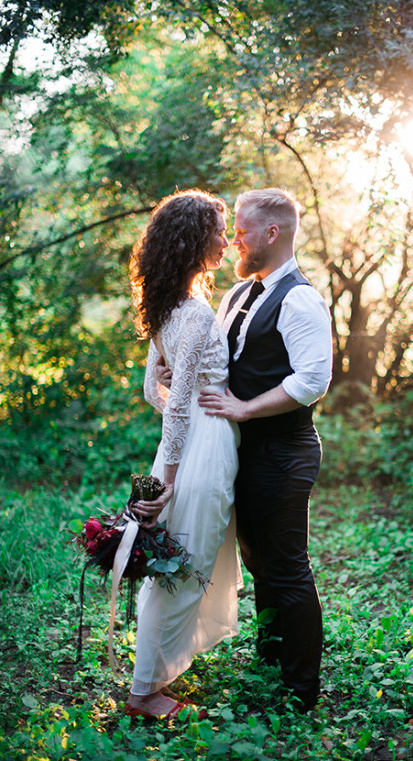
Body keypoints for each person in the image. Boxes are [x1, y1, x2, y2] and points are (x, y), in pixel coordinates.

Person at [198, 188, 332, 710]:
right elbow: (222, 359)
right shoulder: (237, 294)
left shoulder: (299, 297)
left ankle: (301, 691)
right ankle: (269, 661)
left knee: (287, 566)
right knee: (258, 561)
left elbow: (312, 381)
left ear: (272, 233)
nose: (234, 240)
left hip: (284, 450)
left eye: (242, 231)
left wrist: (246, 409)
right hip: (244, 452)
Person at [126, 189, 242, 721]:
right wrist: (168, 481)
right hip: (201, 449)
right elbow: (168, 408)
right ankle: (144, 692)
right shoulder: (192, 314)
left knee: (183, 558)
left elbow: (155, 390)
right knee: (185, 562)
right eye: (219, 231)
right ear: (195, 239)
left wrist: (183, 392)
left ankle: (154, 675)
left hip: (192, 440)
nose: (226, 239)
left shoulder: (169, 305)